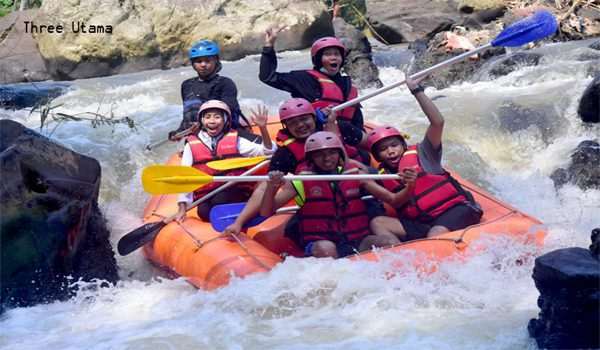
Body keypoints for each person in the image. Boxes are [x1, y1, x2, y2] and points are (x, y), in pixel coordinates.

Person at [222, 98, 384, 236]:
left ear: (314, 118)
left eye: (304, 119)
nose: (300, 125)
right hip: (319, 200)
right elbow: (265, 188)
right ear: (286, 127)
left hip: (360, 192)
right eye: (293, 123)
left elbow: (376, 144)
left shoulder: (339, 127)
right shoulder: (286, 153)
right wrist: (239, 222)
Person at [361, 78, 483, 239]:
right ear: (377, 156)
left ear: (403, 146)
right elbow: (394, 201)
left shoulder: (425, 153)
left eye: (394, 145)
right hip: (424, 221)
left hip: (455, 209)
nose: (390, 151)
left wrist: (417, 91)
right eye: (383, 149)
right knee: (378, 223)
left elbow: (438, 122)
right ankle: (399, 257)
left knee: (436, 233)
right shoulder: (381, 175)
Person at [259, 131, 401, 258]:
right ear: (311, 158)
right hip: (321, 242)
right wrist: (271, 187)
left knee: (387, 242)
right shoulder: (301, 180)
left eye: (331, 153)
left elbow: (392, 199)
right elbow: (266, 211)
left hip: (357, 239)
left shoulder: (355, 175)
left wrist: (410, 184)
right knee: (327, 249)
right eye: (319, 155)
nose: (327, 159)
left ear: (339, 154)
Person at [259, 29, 368, 153]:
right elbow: (267, 76)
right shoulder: (303, 78)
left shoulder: (349, 86)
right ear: (318, 59)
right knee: (343, 127)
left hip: (346, 138)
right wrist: (269, 47)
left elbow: (357, 120)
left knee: (362, 152)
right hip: (312, 136)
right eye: (328, 54)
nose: (333, 58)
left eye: (336, 54)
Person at [175, 100, 276, 222]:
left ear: (225, 120)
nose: (212, 121)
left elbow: (267, 152)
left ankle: (241, 218)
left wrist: (263, 128)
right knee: (203, 211)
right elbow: (185, 176)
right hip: (208, 192)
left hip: (234, 188)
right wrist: (182, 207)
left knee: (220, 200)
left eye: (217, 117)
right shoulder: (191, 144)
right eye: (207, 117)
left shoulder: (236, 139)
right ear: (202, 120)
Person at [169, 40, 249, 140]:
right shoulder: (187, 85)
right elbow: (188, 116)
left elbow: (228, 111)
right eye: (199, 61)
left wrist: (202, 124)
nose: (203, 64)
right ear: (193, 64)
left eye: (207, 61)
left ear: (216, 61)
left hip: (225, 134)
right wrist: (179, 132)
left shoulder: (225, 83)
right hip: (199, 137)